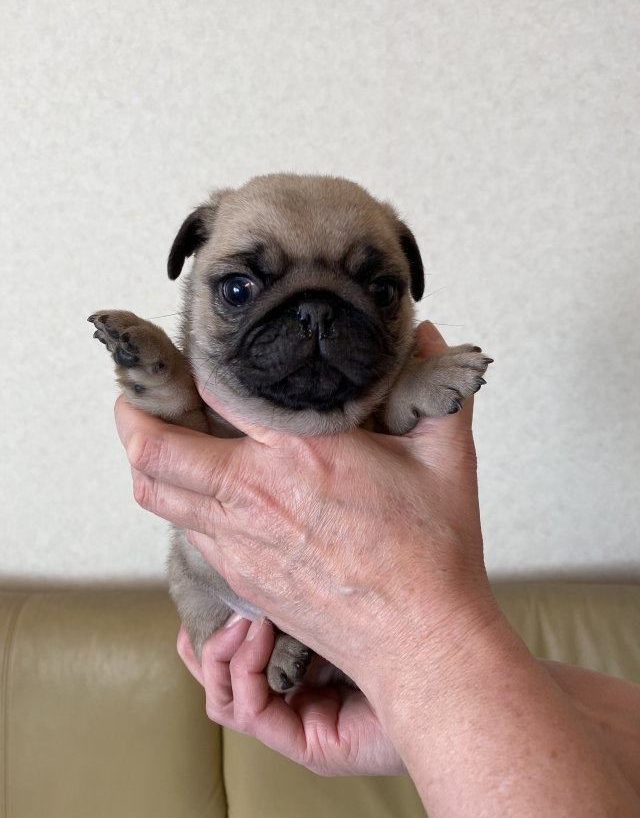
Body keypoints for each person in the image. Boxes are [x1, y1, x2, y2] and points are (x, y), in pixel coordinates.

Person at [115, 321, 640, 817]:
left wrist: (421, 671)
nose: (314, 321)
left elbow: (391, 415)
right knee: (205, 604)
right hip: (221, 597)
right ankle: (281, 652)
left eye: (379, 288)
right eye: (239, 290)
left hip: (346, 667)